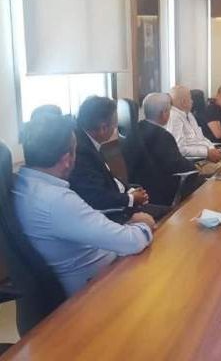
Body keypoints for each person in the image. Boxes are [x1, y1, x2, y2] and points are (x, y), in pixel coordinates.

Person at [12, 115, 155, 296]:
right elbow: (131, 242)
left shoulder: (21, 184)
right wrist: (144, 225)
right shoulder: (57, 200)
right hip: (96, 288)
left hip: (96, 265)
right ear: (67, 159)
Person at [69, 96, 152, 222]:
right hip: (110, 214)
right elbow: (96, 196)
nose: (116, 129)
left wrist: (130, 190)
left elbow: (108, 180)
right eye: (115, 125)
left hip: (120, 198)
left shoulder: (88, 141)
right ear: (103, 128)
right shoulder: (82, 151)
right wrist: (131, 198)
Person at [138, 93, 204, 205]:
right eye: (169, 110)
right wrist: (195, 167)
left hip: (142, 188)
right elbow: (178, 165)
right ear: (163, 113)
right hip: (163, 191)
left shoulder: (136, 130)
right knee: (203, 183)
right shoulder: (163, 136)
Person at [166, 85, 221, 162]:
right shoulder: (174, 117)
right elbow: (180, 149)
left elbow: (201, 138)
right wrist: (206, 153)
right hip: (192, 161)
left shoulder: (189, 114)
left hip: (205, 156)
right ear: (184, 102)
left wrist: (212, 149)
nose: (192, 101)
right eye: (190, 98)